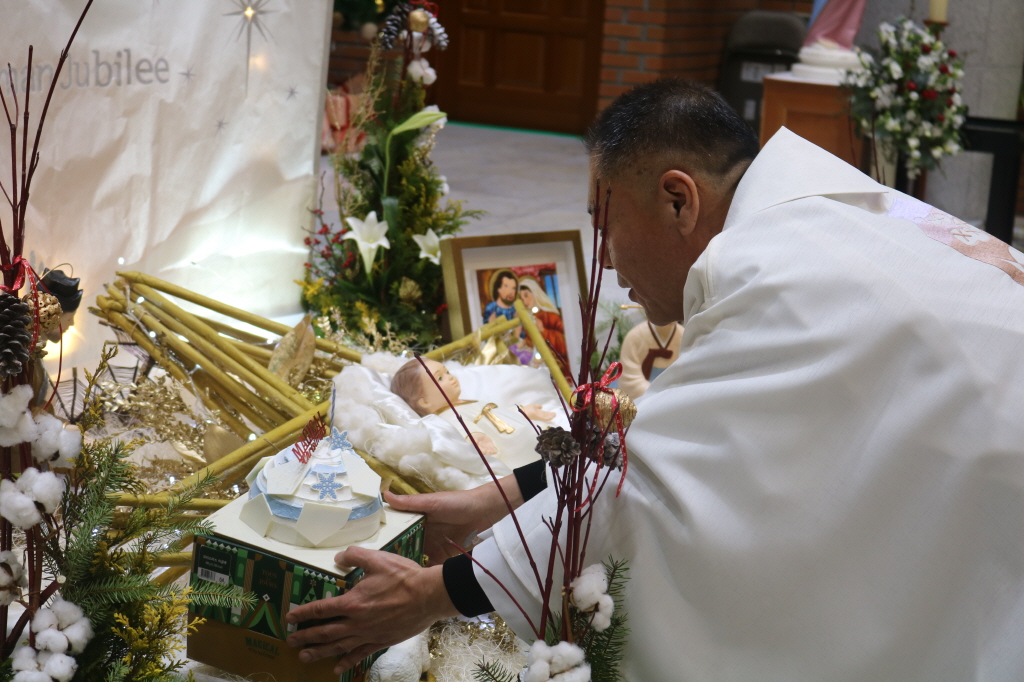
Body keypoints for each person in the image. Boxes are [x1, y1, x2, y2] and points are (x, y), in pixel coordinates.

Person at [285, 79, 1024, 680]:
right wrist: (496, 498)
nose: (606, 266)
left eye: (604, 226)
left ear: (679, 199)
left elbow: (657, 498)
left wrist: (428, 595)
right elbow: (686, 446)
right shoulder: (820, 218)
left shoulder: (769, 272)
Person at [515, 276, 571, 378]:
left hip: (556, 365)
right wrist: (524, 342)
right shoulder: (529, 318)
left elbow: (564, 343)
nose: (524, 301)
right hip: (537, 364)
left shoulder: (552, 316)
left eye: (526, 295)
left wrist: (543, 330)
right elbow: (532, 341)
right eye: (521, 298)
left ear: (535, 294)